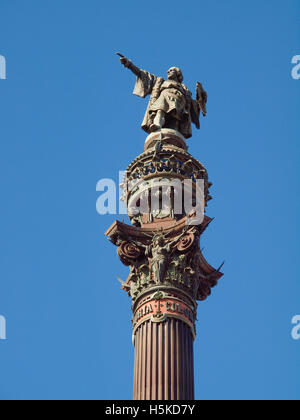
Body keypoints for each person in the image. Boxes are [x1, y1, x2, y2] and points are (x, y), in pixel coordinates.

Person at [118, 54, 207, 139]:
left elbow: (194, 106)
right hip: (164, 97)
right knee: (160, 110)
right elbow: (144, 75)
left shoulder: (185, 89)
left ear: (178, 74)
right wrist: (130, 65)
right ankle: (156, 125)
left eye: (171, 70)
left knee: (175, 122)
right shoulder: (161, 81)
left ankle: (174, 135)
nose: (168, 72)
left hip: (179, 102)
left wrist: (201, 99)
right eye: (168, 71)